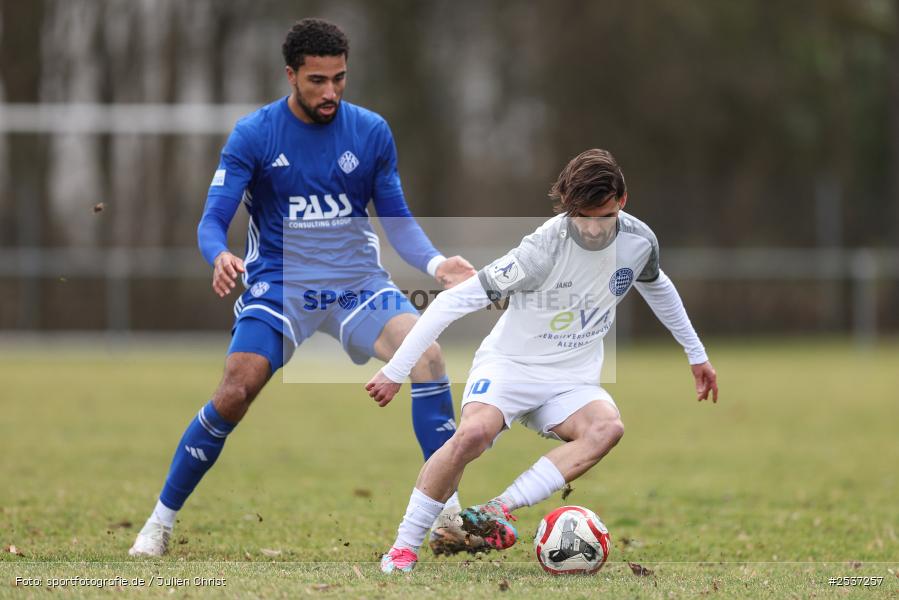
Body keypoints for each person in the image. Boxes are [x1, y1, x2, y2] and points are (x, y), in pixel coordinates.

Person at [129, 18, 481, 557]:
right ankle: (159, 523)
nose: (331, 92)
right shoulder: (255, 134)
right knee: (233, 392)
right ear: (290, 75)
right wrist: (219, 254)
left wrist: (435, 265)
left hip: (355, 286)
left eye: (340, 78)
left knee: (428, 356)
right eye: (317, 80)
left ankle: (448, 516)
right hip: (280, 288)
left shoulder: (370, 132)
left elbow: (397, 219)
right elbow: (210, 221)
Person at [366, 149, 719, 573]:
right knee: (471, 436)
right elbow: (451, 304)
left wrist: (696, 354)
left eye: (602, 217)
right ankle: (403, 549)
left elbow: (656, 285)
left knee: (607, 428)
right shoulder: (541, 250)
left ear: (622, 200)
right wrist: (396, 369)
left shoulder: (640, 241)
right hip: (510, 367)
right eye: (580, 217)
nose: (590, 229)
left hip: (572, 380)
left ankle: (499, 508)